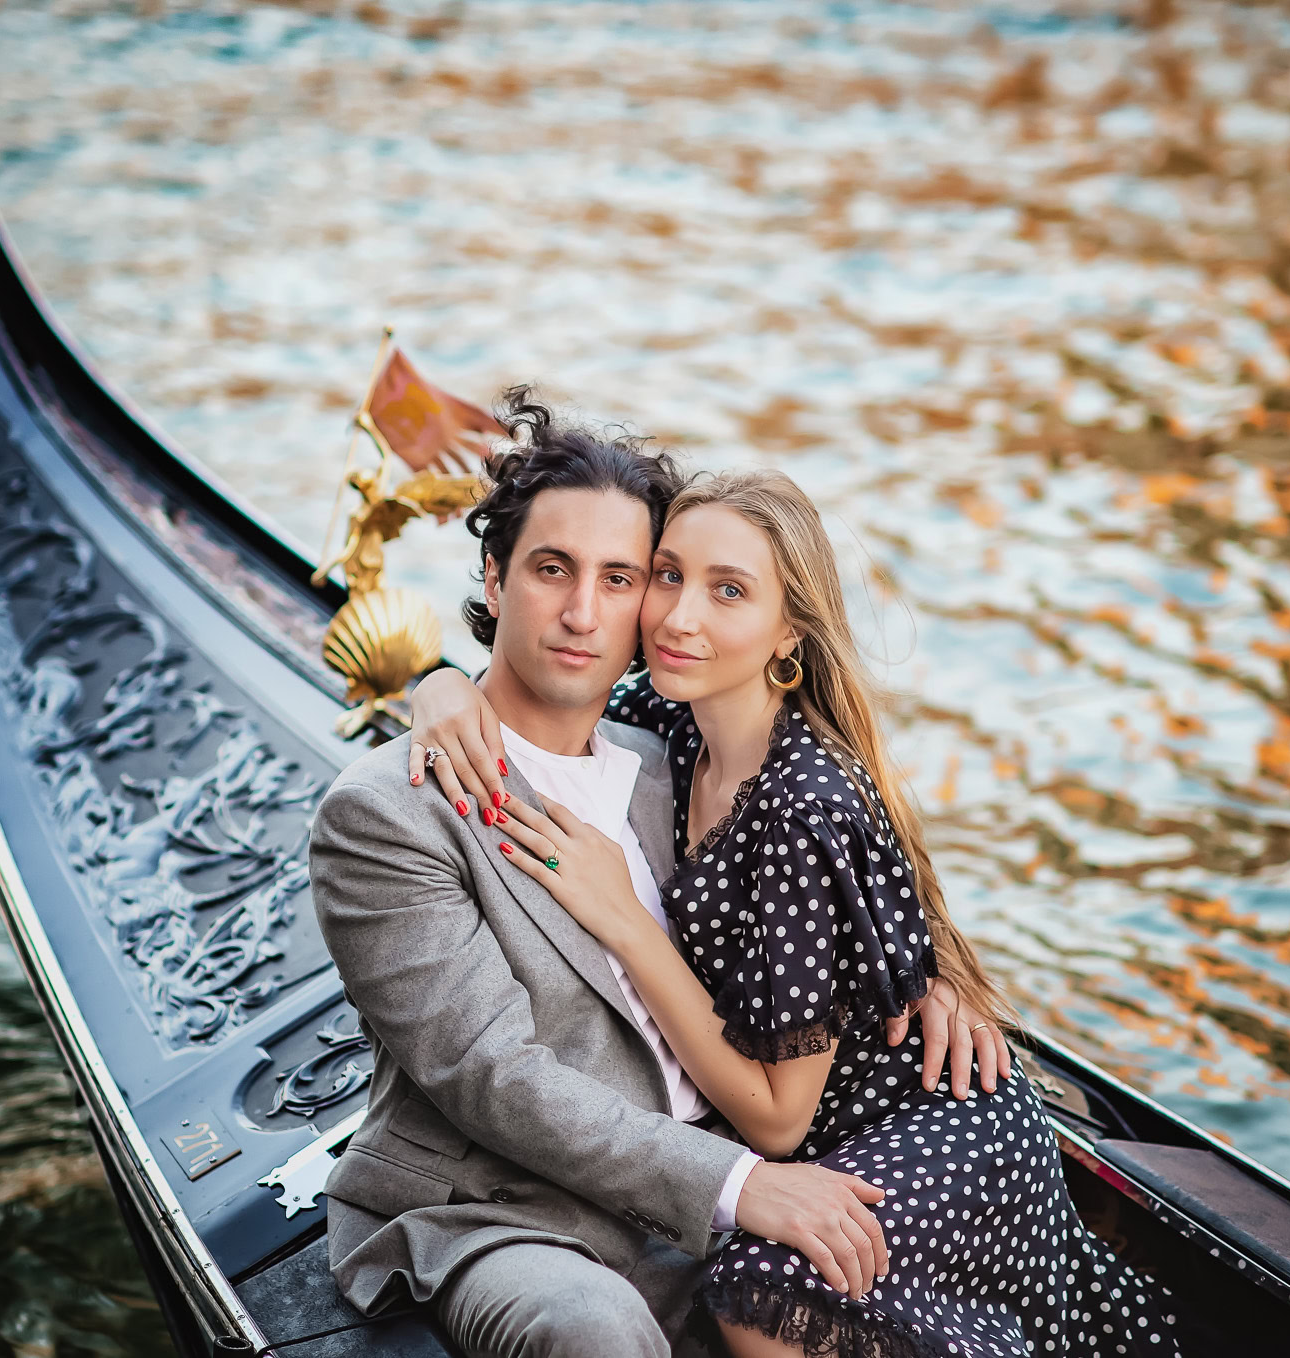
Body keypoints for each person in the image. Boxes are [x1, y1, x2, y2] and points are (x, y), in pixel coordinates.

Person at [407, 463, 1183, 1357]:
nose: (676, 616)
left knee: (756, 1295)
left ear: (789, 635)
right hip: (818, 1122)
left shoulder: (798, 807)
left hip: (921, 1121)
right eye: (668, 575)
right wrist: (437, 685)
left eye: (727, 591)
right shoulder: (669, 716)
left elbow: (779, 1121)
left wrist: (623, 917)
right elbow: (534, 685)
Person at [307, 389, 1008, 1358]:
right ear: (495, 574)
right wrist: (433, 685)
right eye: (552, 569)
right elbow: (493, 1075)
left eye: (623, 577)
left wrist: (923, 971)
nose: (584, 611)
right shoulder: (387, 810)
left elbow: (811, 867)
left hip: (712, 1190)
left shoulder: (672, 751)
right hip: (506, 1214)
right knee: (596, 1330)